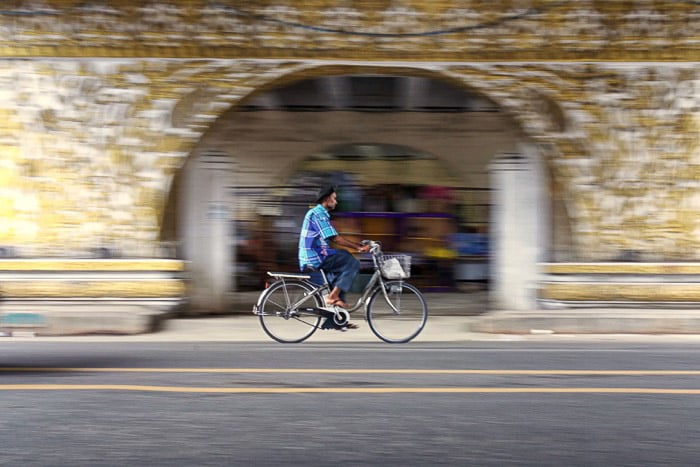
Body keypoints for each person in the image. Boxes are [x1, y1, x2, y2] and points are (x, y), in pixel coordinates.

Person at [299, 185, 370, 329]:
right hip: (314, 257)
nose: (336, 202)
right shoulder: (318, 213)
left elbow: (331, 239)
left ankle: (338, 320)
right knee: (352, 263)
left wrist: (357, 245)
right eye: (334, 199)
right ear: (327, 199)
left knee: (340, 274)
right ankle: (332, 297)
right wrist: (358, 247)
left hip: (320, 254)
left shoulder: (320, 213)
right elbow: (335, 238)